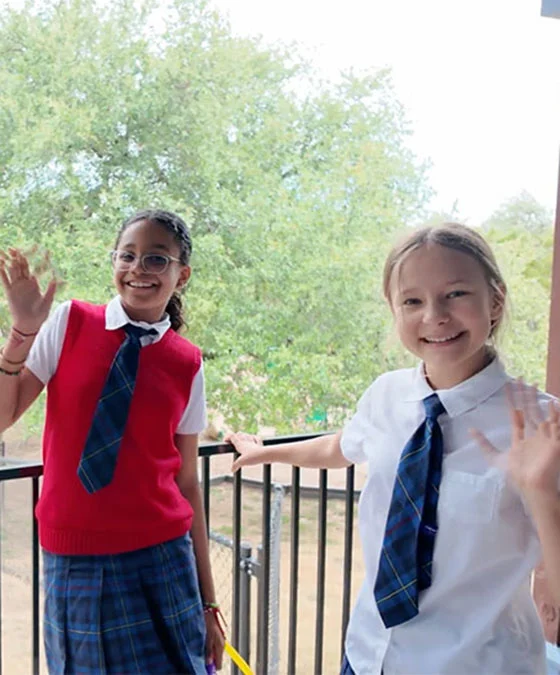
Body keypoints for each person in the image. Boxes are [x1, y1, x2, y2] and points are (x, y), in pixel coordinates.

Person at [227, 222, 560, 675]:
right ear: (394, 309)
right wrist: (266, 452)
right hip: (368, 654)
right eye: (412, 301)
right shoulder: (387, 394)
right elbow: (340, 448)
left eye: (456, 294)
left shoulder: (542, 426)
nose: (434, 317)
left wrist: (540, 492)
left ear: (495, 300)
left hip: (475, 663)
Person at [0, 209, 225, 674]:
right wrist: (21, 332)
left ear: (181, 275)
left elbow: (187, 483)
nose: (138, 268)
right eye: (128, 255)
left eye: (156, 259)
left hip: (163, 558)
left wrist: (209, 603)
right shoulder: (70, 322)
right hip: (73, 560)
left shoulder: (187, 362)